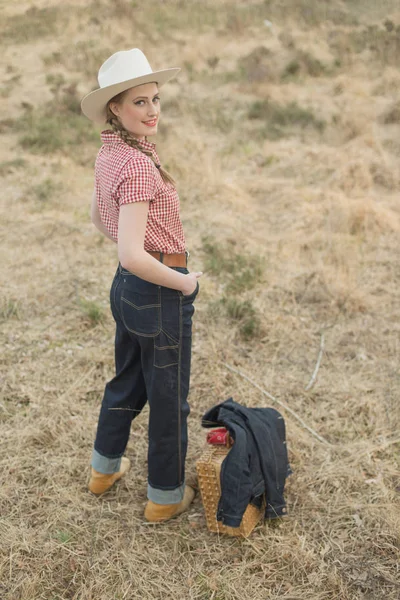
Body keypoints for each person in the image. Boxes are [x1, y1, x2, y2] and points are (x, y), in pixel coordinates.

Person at [80, 48, 202, 522]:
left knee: (127, 381)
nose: (152, 111)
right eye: (139, 102)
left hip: (127, 289)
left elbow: (97, 218)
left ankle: (103, 470)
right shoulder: (135, 166)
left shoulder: (112, 152)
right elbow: (129, 251)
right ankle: (165, 497)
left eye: (156, 100)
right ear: (115, 107)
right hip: (154, 289)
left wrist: (139, 252)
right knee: (168, 397)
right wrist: (183, 283)